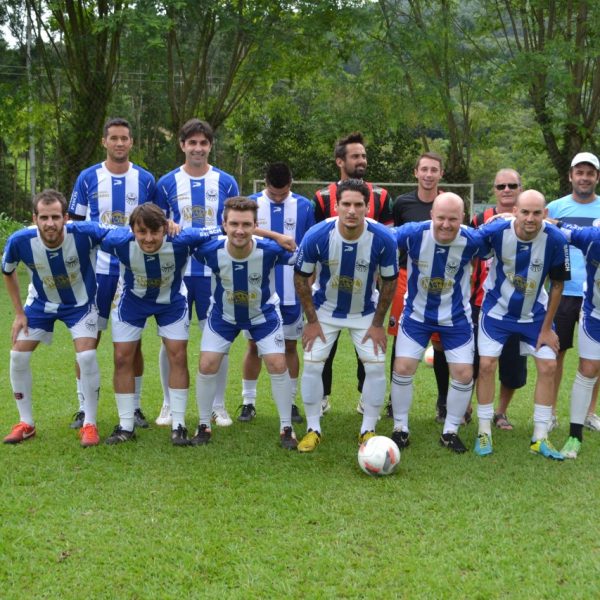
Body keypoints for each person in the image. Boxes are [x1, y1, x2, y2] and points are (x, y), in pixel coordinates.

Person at [99, 203, 220, 446]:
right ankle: (125, 425)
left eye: (155, 232)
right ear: (132, 229)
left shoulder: (183, 238)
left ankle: (178, 425)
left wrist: (276, 237)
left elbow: (226, 228)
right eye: (142, 232)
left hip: (171, 302)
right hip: (131, 302)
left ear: (166, 228)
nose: (149, 238)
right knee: (122, 358)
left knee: (178, 355)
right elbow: (78, 229)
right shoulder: (118, 240)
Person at [294, 179, 398, 452]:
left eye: (358, 205)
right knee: (313, 365)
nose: (352, 210)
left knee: (375, 367)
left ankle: (368, 430)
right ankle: (313, 428)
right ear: (336, 206)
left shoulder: (384, 238)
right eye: (346, 204)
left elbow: (389, 283)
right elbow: (301, 277)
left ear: (367, 208)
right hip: (325, 311)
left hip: (365, 311)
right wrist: (312, 322)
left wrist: (377, 324)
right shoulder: (317, 235)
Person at [2, 190, 113, 447]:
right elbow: (7, 271)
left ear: (65, 217)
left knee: (86, 356)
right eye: (43, 217)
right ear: (35, 218)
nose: (49, 223)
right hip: (41, 305)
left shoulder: (84, 233)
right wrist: (19, 313)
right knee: (17, 355)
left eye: (55, 217)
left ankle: (90, 424)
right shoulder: (20, 240)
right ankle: (26, 423)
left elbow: (117, 235)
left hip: (81, 304)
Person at [190, 197, 299, 449]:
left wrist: (280, 238)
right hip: (223, 316)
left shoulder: (270, 250)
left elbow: (303, 256)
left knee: (276, 362)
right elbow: (181, 242)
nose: (240, 230)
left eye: (247, 224)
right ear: (224, 224)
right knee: (207, 364)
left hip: (263, 315)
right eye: (234, 224)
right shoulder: (209, 250)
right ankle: (204, 424)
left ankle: (286, 428)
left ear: (255, 225)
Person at [390, 193, 495, 452]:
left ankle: (450, 431)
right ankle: (400, 429)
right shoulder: (414, 234)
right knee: (402, 367)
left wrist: (507, 218)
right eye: (441, 218)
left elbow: (501, 240)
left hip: (455, 318)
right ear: (431, 216)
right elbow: (381, 237)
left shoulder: (472, 239)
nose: (446, 224)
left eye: (453, 219)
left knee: (463, 374)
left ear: (463, 219)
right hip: (416, 316)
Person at [68, 117, 155, 430]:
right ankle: (83, 407)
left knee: (133, 345)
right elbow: (74, 225)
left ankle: (135, 407)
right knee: (89, 340)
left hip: (133, 274)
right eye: (114, 138)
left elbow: (155, 226)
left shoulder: (145, 180)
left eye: (125, 138)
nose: (120, 143)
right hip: (96, 274)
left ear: (132, 142)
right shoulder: (88, 177)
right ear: (104, 141)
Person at [154, 118, 239, 427]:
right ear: (182, 145)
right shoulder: (166, 183)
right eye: (192, 143)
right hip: (175, 272)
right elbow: (154, 225)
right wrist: (167, 226)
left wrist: (203, 234)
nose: (198, 148)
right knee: (170, 340)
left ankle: (218, 405)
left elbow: (235, 224)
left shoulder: (227, 182)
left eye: (204, 143)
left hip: (215, 273)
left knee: (217, 338)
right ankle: (167, 402)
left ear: (210, 146)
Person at [474, 190, 570, 460]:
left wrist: (547, 328)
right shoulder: (497, 231)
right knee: (486, 365)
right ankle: (484, 431)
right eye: (525, 211)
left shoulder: (556, 239)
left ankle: (540, 437)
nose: (530, 218)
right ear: (514, 210)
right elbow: (469, 240)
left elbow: (558, 285)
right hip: (496, 312)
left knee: (549, 365)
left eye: (536, 213)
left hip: (535, 316)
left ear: (545, 214)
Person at [313, 132, 393, 415]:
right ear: (340, 161)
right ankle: (321, 396)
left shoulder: (381, 196)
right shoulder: (322, 197)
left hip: (366, 287)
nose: (362, 160)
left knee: (368, 347)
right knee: (325, 346)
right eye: (356, 156)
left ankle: (365, 397)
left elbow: (388, 241)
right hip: (330, 286)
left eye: (364, 156)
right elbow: (315, 244)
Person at [239, 163, 315, 423]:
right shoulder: (250, 203)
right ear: (265, 184)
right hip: (258, 287)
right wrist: (277, 237)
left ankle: (291, 402)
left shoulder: (304, 206)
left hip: (292, 290)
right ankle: (248, 402)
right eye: (274, 193)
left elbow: (310, 249)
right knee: (253, 346)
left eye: (284, 193)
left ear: (291, 183)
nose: (279, 197)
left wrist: (308, 287)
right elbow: (237, 228)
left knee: (291, 346)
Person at [388, 151, 452, 422]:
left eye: (433, 170)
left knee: (441, 343)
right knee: (400, 339)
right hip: (406, 276)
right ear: (415, 172)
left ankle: (444, 402)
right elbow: (392, 239)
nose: (428, 174)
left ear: (440, 174)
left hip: (441, 280)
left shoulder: (450, 203)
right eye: (424, 169)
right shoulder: (402, 203)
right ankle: (394, 400)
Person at [469, 169, 528, 429]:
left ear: (520, 188)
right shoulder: (480, 218)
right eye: (501, 185)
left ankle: (500, 412)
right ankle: (466, 408)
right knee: (473, 361)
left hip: (518, 305)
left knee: (512, 365)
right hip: (482, 300)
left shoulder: (530, 217)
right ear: (494, 189)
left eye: (512, 185)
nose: (506, 189)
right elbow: (469, 254)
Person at [547, 152, 600, 432]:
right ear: (570, 176)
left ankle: (590, 413)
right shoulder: (554, 208)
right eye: (579, 172)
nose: (584, 177)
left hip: (596, 294)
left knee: (596, 358)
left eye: (590, 173)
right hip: (564, 289)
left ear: (597, 178)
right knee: (557, 352)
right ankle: (552, 411)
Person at [554, 221, 600, 458]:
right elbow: (551, 225)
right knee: (588, 368)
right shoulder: (591, 237)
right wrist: (507, 219)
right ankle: (575, 436)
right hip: (595, 315)